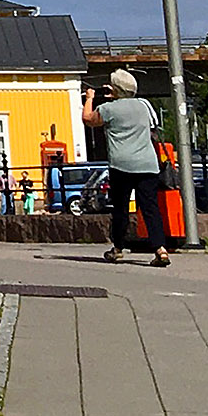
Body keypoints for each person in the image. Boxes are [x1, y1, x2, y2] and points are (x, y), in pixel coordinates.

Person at [84, 68, 171, 267]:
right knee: (150, 208)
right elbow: (153, 128)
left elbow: (88, 119)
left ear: (114, 89)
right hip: (148, 164)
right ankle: (160, 249)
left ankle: (118, 249)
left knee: (121, 209)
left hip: (122, 165)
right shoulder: (144, 105)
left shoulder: (108, 109)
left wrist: (90, 98)